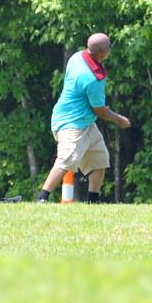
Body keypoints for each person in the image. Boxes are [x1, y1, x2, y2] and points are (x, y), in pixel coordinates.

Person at [36, 33, 130, 203]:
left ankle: (93, 201)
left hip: (84, 122)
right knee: (66, 160)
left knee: (99, 160)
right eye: (109, 46)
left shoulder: (77, 57)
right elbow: (101, 111)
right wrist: (120, 119)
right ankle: (42, 198)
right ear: (102, 51)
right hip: (71, 124)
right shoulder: (92, 79)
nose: (110, 49)